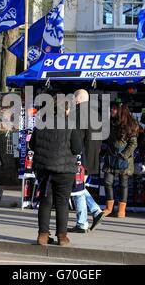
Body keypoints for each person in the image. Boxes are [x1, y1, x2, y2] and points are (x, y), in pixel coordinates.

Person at [29, 96, 84, 246]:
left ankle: (43, 235)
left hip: (44, 170)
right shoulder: (70, 125)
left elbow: (32, 146)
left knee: (45, 202)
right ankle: (62, 237)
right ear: (65, 109)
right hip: (65, 171)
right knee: (62, 203)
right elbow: (77, 149)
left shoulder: (40, 125)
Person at [68, 89, 105, 233]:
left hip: (80, 157)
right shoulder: (97, 114)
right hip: (93, 157)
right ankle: (95, 211)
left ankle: (82, 222)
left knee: (77, 189)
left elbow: (74, 138)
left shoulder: (76, 114)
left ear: (77, 100)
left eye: (73, 99)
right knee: (79, 186)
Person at [102, 103, 138, 218]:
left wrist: (124, 154)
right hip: (111, 157)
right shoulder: (110, 123)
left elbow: (133, 143)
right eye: (112, 108)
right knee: (108, 182)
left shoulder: (130, 124)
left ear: (121, 110)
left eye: (114, 109)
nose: (112, 110)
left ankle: (121, 210)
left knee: (123, 184)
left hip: (123, 159)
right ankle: (109, 208)